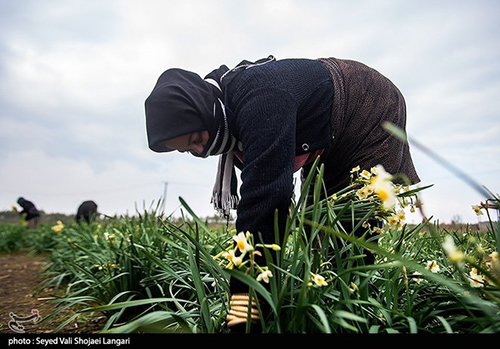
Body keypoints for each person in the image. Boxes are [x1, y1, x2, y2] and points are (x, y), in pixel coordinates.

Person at [144, 55, 420, 331]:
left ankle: (351, 320)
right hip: (324, 134)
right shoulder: (226, 107)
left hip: (367, 106)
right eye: (186, 150)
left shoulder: (259, 99)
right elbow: (267, 190)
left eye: (197, 139)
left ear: (204, 110)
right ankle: (321, 314)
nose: (199, 151)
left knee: (351, 232)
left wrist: (244, 307)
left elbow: (264, 200)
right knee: (318, 229)